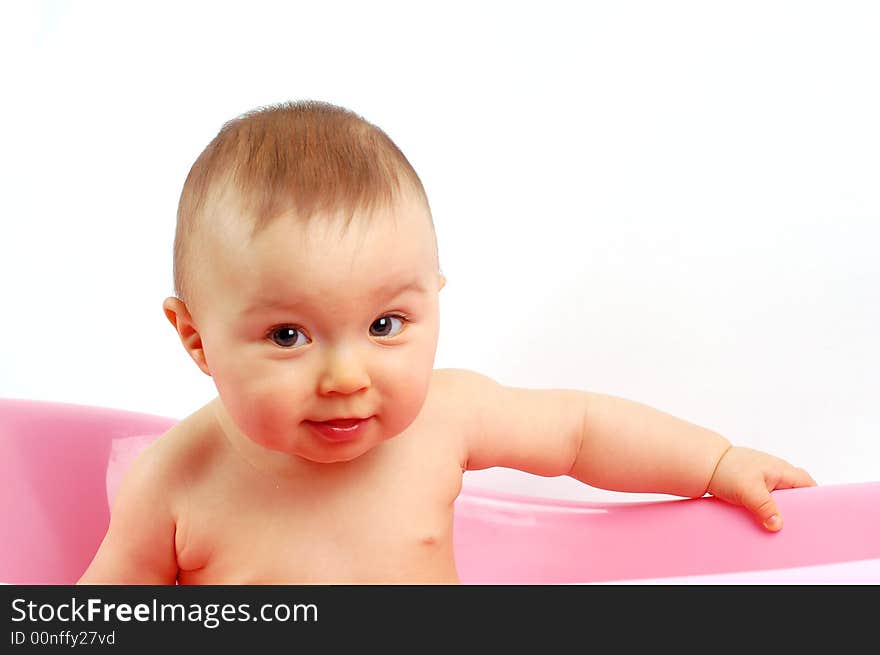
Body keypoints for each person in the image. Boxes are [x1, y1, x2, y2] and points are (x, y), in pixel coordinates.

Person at [77, 100, 816, 584]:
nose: (344, 374)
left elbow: (583, 429)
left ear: (433, 296)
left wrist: (715, 462)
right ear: (197, 338)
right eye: (288, 335)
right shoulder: (176, 483)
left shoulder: (444, 418)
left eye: (384, 325)